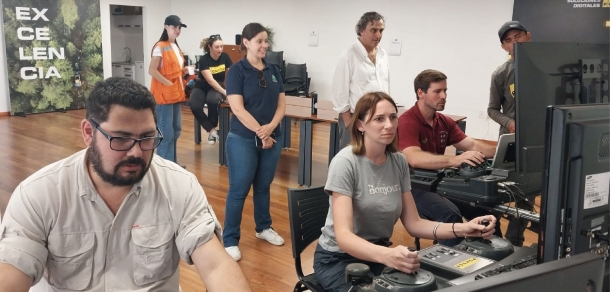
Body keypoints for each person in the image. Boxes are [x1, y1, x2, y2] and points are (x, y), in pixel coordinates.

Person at [0, 77, 251, 291]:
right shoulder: (39, 194)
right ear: (88, 132)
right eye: (120, 139)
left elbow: (216, 266)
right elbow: (12, 270)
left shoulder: (179, 186)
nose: (136, 152)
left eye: (146, 138)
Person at [313, 92, 497, 292]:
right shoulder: (345, 163)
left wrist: (464, 228)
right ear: (360, 125)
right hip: (338, 259)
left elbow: (414, 223)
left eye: (393, 117)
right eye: (379, 119)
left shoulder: (398, 161)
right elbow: (344, 237)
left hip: (378, 252)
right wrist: (387, 256)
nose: (389, 125)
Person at [398, 69, 500, 247]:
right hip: (412, 186)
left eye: (445, 91)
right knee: (450, 216)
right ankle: (444, 265)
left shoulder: (444, 121)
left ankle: (492, 260)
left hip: (437, 183)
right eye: (437, 91)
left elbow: (472, 145)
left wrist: (502, 150)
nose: (443, 96)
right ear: (420, 93)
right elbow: (414, 158)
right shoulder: (407, 122)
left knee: (485, 209)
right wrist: (456, 160)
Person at [222, 23, 286, 261]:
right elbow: (237, 109)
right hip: (243, 139)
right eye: (259, 41)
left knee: (263, 186)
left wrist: (271, 129)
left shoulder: (273, 69)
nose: (265, 45)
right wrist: (262, 132)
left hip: (272, 137)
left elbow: (282, 104)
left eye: (266, 41)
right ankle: (229, 239)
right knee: (238, 190)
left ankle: (263, 228)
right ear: (246, 42)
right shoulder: (236, 71)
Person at [488, 21, 533, 247]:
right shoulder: (501, 74)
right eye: (508, 40)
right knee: (500, 190)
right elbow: (492, 109)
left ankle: (515, 240)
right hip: (510, 141)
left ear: (528, 37)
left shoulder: (543, 68)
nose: (514, 42)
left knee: (527, 193)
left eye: (518, 36)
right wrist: (509, 122)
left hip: (536, 141)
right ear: (504, 47)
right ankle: (493, 238)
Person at [332, 11, 390, 149]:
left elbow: (386, 84)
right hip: (356, 117)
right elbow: (339, 91)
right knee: (352, 159)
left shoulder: (383, 55)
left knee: (375, 157)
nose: (378, 35)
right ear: (361, 30)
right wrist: (348, 122)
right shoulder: (348, 55)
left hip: (379, 117)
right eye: (373, 30)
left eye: (381, 30)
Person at [148, 15, 189, 163]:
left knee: (176, 130)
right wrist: (168, 83)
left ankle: (172, 165)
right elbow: (152, 70)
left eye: (179, 28)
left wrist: (184, 71)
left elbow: (173, 70)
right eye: (174, 27)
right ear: (166, 27)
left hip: (176, 95)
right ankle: (165, 169)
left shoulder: (175, 47)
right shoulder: (160, 46)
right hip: (164, 97)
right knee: (166, 133)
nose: (177, 30)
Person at [190, 34, 234, 145]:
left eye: (221, 46)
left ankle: (212, 131)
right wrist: (224, 92)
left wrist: (229, 89)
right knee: (194, 106)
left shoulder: (225, 57)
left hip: (217, 86)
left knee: (213, 101)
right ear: (210, 47)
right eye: (217, 47)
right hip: (202, 86)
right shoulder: (204, 60)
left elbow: (231, 74)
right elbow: (210, 81)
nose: (220, 50)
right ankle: (212, 130)